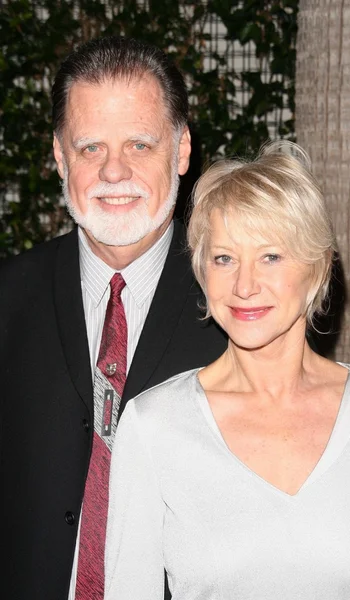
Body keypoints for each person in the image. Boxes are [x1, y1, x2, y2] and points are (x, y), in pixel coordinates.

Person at [104, 140, 350, 600]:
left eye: (271, 256)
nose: (244, 284)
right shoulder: (154, 425)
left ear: (317, 269)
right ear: (203, 272)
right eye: (224, 258)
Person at [0, 36, 227, 600]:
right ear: (59, 156)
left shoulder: (239, 306)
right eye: (91, 148)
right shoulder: (6, 298)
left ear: (181, 151)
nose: (114, 171)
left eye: (140, 145)